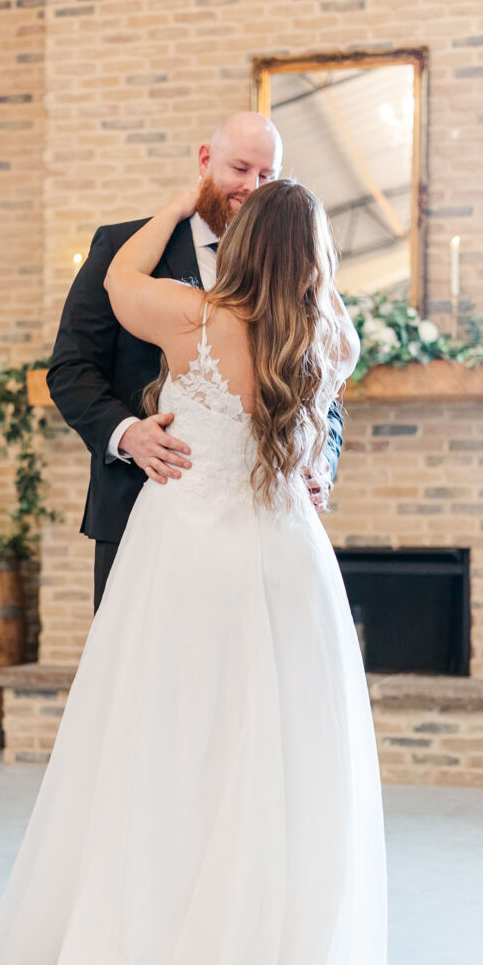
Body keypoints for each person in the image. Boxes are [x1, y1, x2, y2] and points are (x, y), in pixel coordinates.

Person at [0, 178, 398, 965]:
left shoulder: (192, 317)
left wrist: (176, 204)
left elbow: (120, 278)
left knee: (168, 744)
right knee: (273, 753)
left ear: (240, 245)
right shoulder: (332, 333)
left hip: (190, 557)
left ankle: (154, 936)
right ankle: (257, 946)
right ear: (318, 254)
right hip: (285, 562)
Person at [47, 111, 345, 610]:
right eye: (240, 168)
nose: (252, 186)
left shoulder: (295, 280)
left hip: (262, 527)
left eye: (267, 175)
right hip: (142, 515)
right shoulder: (122, 244)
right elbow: (70, 368)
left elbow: (324, 397)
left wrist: (320, 458)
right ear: (205, 161)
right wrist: (127, 433)